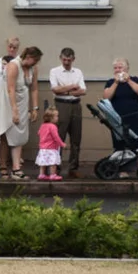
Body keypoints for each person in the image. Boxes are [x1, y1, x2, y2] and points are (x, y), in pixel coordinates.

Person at [0, 46, 43, 180]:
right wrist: (14, 110)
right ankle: (3, 166)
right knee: (6, 131)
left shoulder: (33, 68)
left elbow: (34, 88)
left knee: (20, 133)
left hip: (23, 100)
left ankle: (16, 168)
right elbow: (10, 89)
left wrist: (35, 108)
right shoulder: (13, 66)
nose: (35, 63)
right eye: (35, 60)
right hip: (7, 101)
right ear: (28, 57)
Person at [103, 58, 138, 179]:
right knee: (120, 144)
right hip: (117, 119)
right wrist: (116, 83)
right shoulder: (110, 82)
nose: (118, 70)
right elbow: (106, 96)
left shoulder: (135, 80)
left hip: (135, 118)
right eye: (115, 68)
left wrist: (128, 81)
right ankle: (123, 170)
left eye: (120, 67)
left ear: (127, 69)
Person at [49, 47, 86, 178]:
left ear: (73, 59)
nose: (66, 62)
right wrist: (71, 87)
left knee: (76, 138)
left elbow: (83, 90)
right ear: (60, 58)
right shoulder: (55, 71)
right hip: (61, 104)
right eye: (64, 59)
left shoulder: (78, 72)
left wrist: (65, 90)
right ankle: (56, 166)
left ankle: (73, 167)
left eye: (69, 60)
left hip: (76, 105)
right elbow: (55, 89)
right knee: (59, 136)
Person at [0, 36, 20, 174]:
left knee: (16, 128)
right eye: (10, 46)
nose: (12, 49)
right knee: (1, 129)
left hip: (15, 98)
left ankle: (16, 160)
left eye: (14, 47)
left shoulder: (18, 62)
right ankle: (1, 158)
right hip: (1, 98)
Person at [35, 107, 65, 181]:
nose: (57, 118)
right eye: (56, 116)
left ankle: (41, 174)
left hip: (43, 148)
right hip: (51, 148)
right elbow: (56, 137)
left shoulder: (43, 125)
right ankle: (53, 174)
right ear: (51, 118)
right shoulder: (53, 127)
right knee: (53, 162)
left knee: (43, 162)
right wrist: (62, 144)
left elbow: (38, 133)